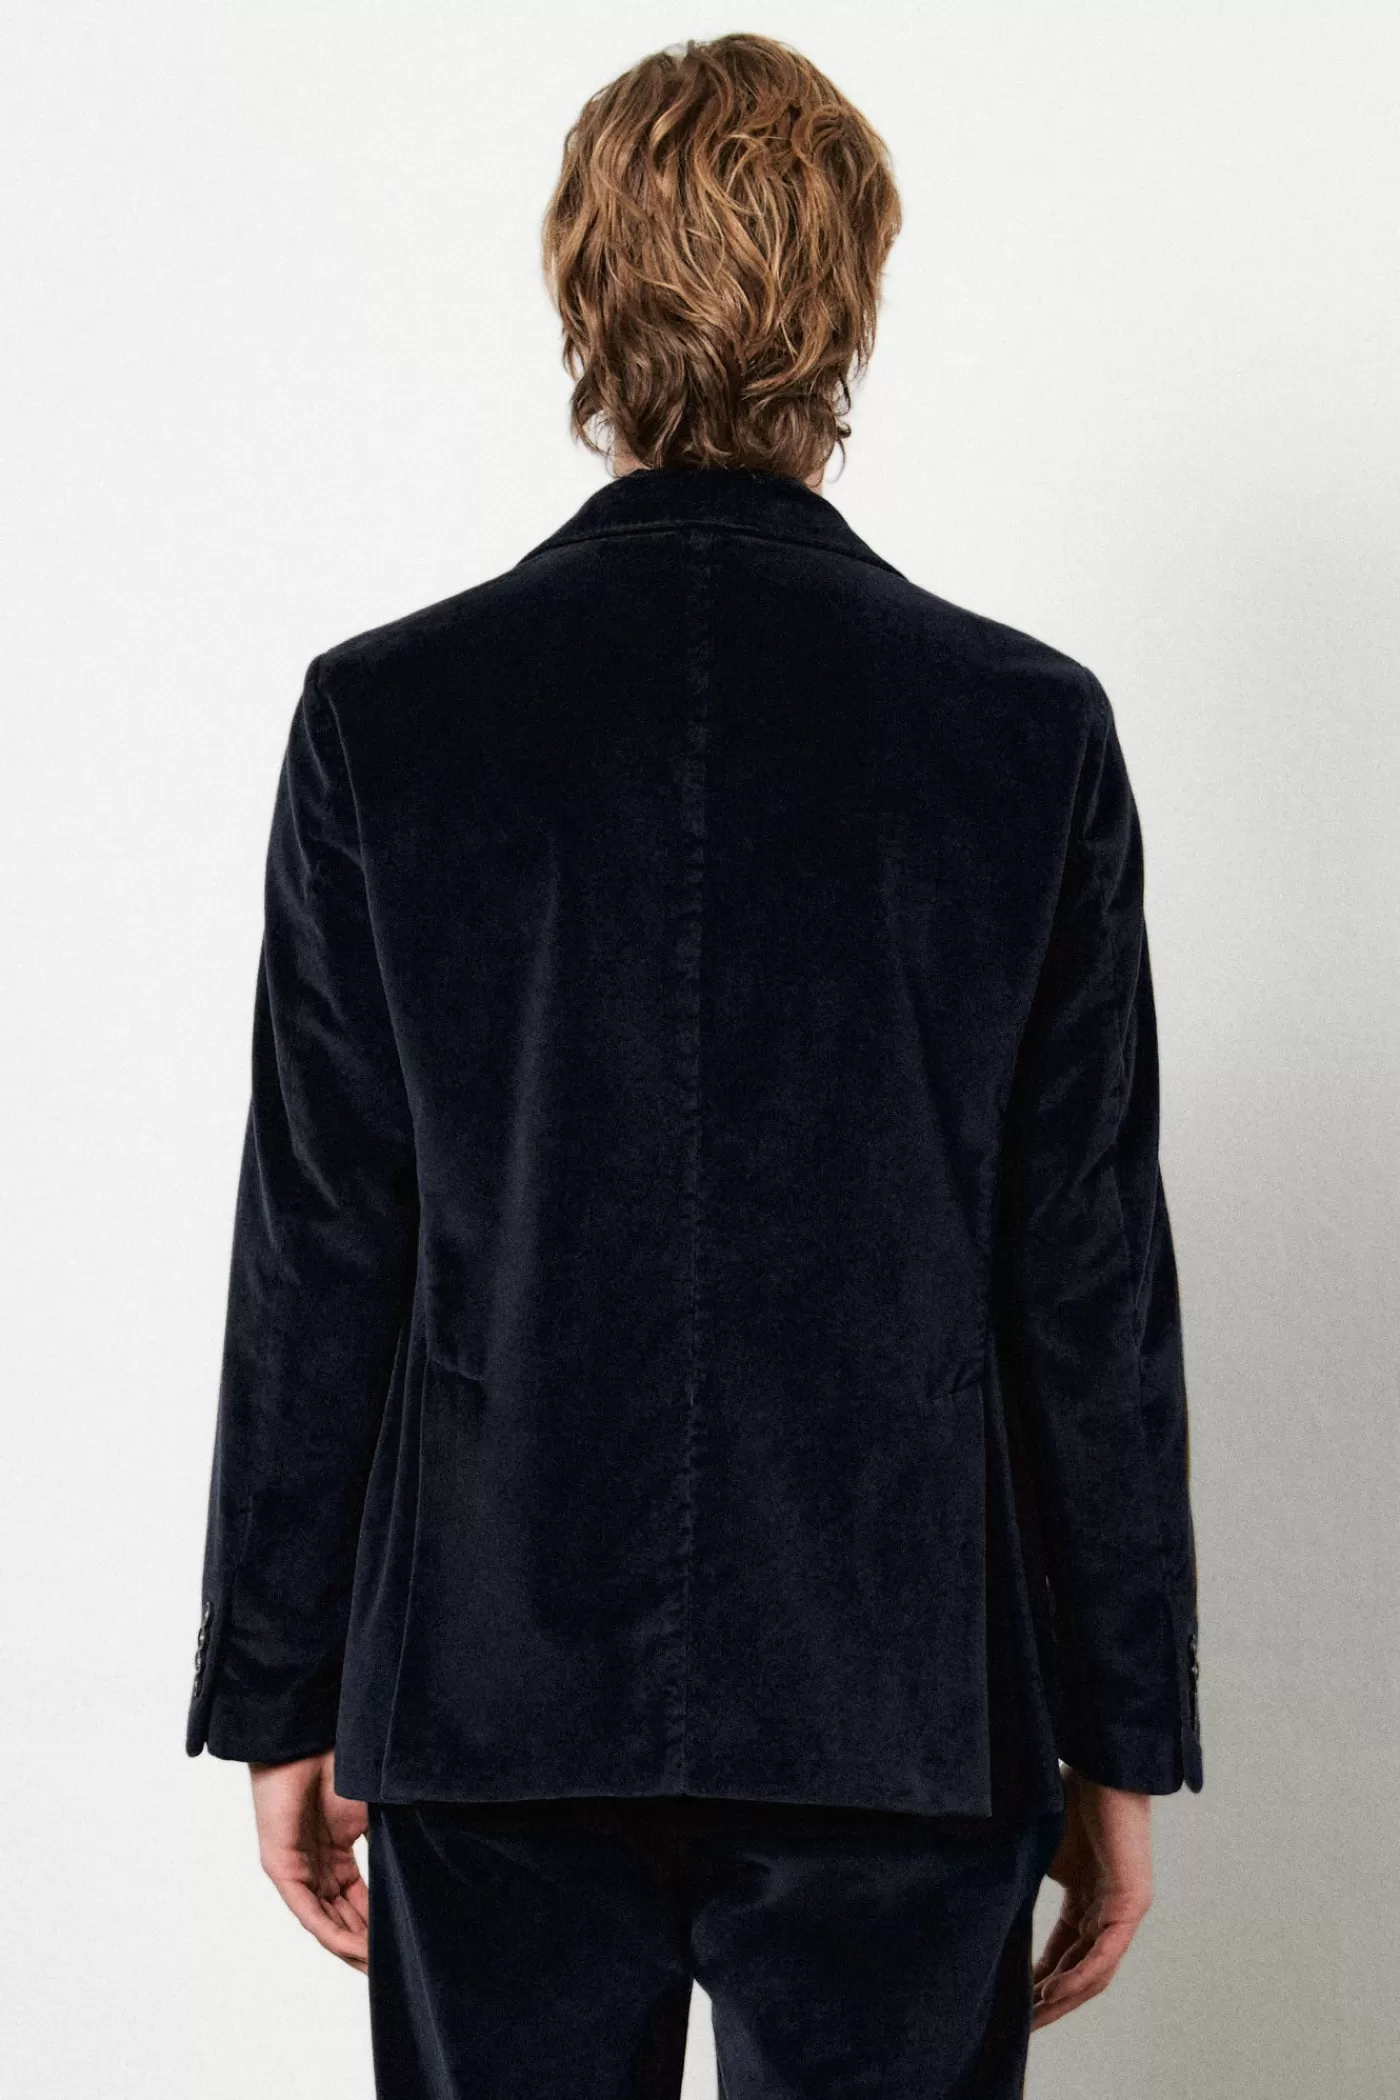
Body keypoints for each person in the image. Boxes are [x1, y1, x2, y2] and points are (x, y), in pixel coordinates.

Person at [187, 32, 1202, 2098]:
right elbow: (1082, 1279)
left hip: (488, 1679)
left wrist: (281, 1687)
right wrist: (1122, 1737)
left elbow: (323, 1237)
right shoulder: (1024, 733)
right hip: (899, 1691)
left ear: (583, 292)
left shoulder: (393, 717)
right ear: (852, 301)